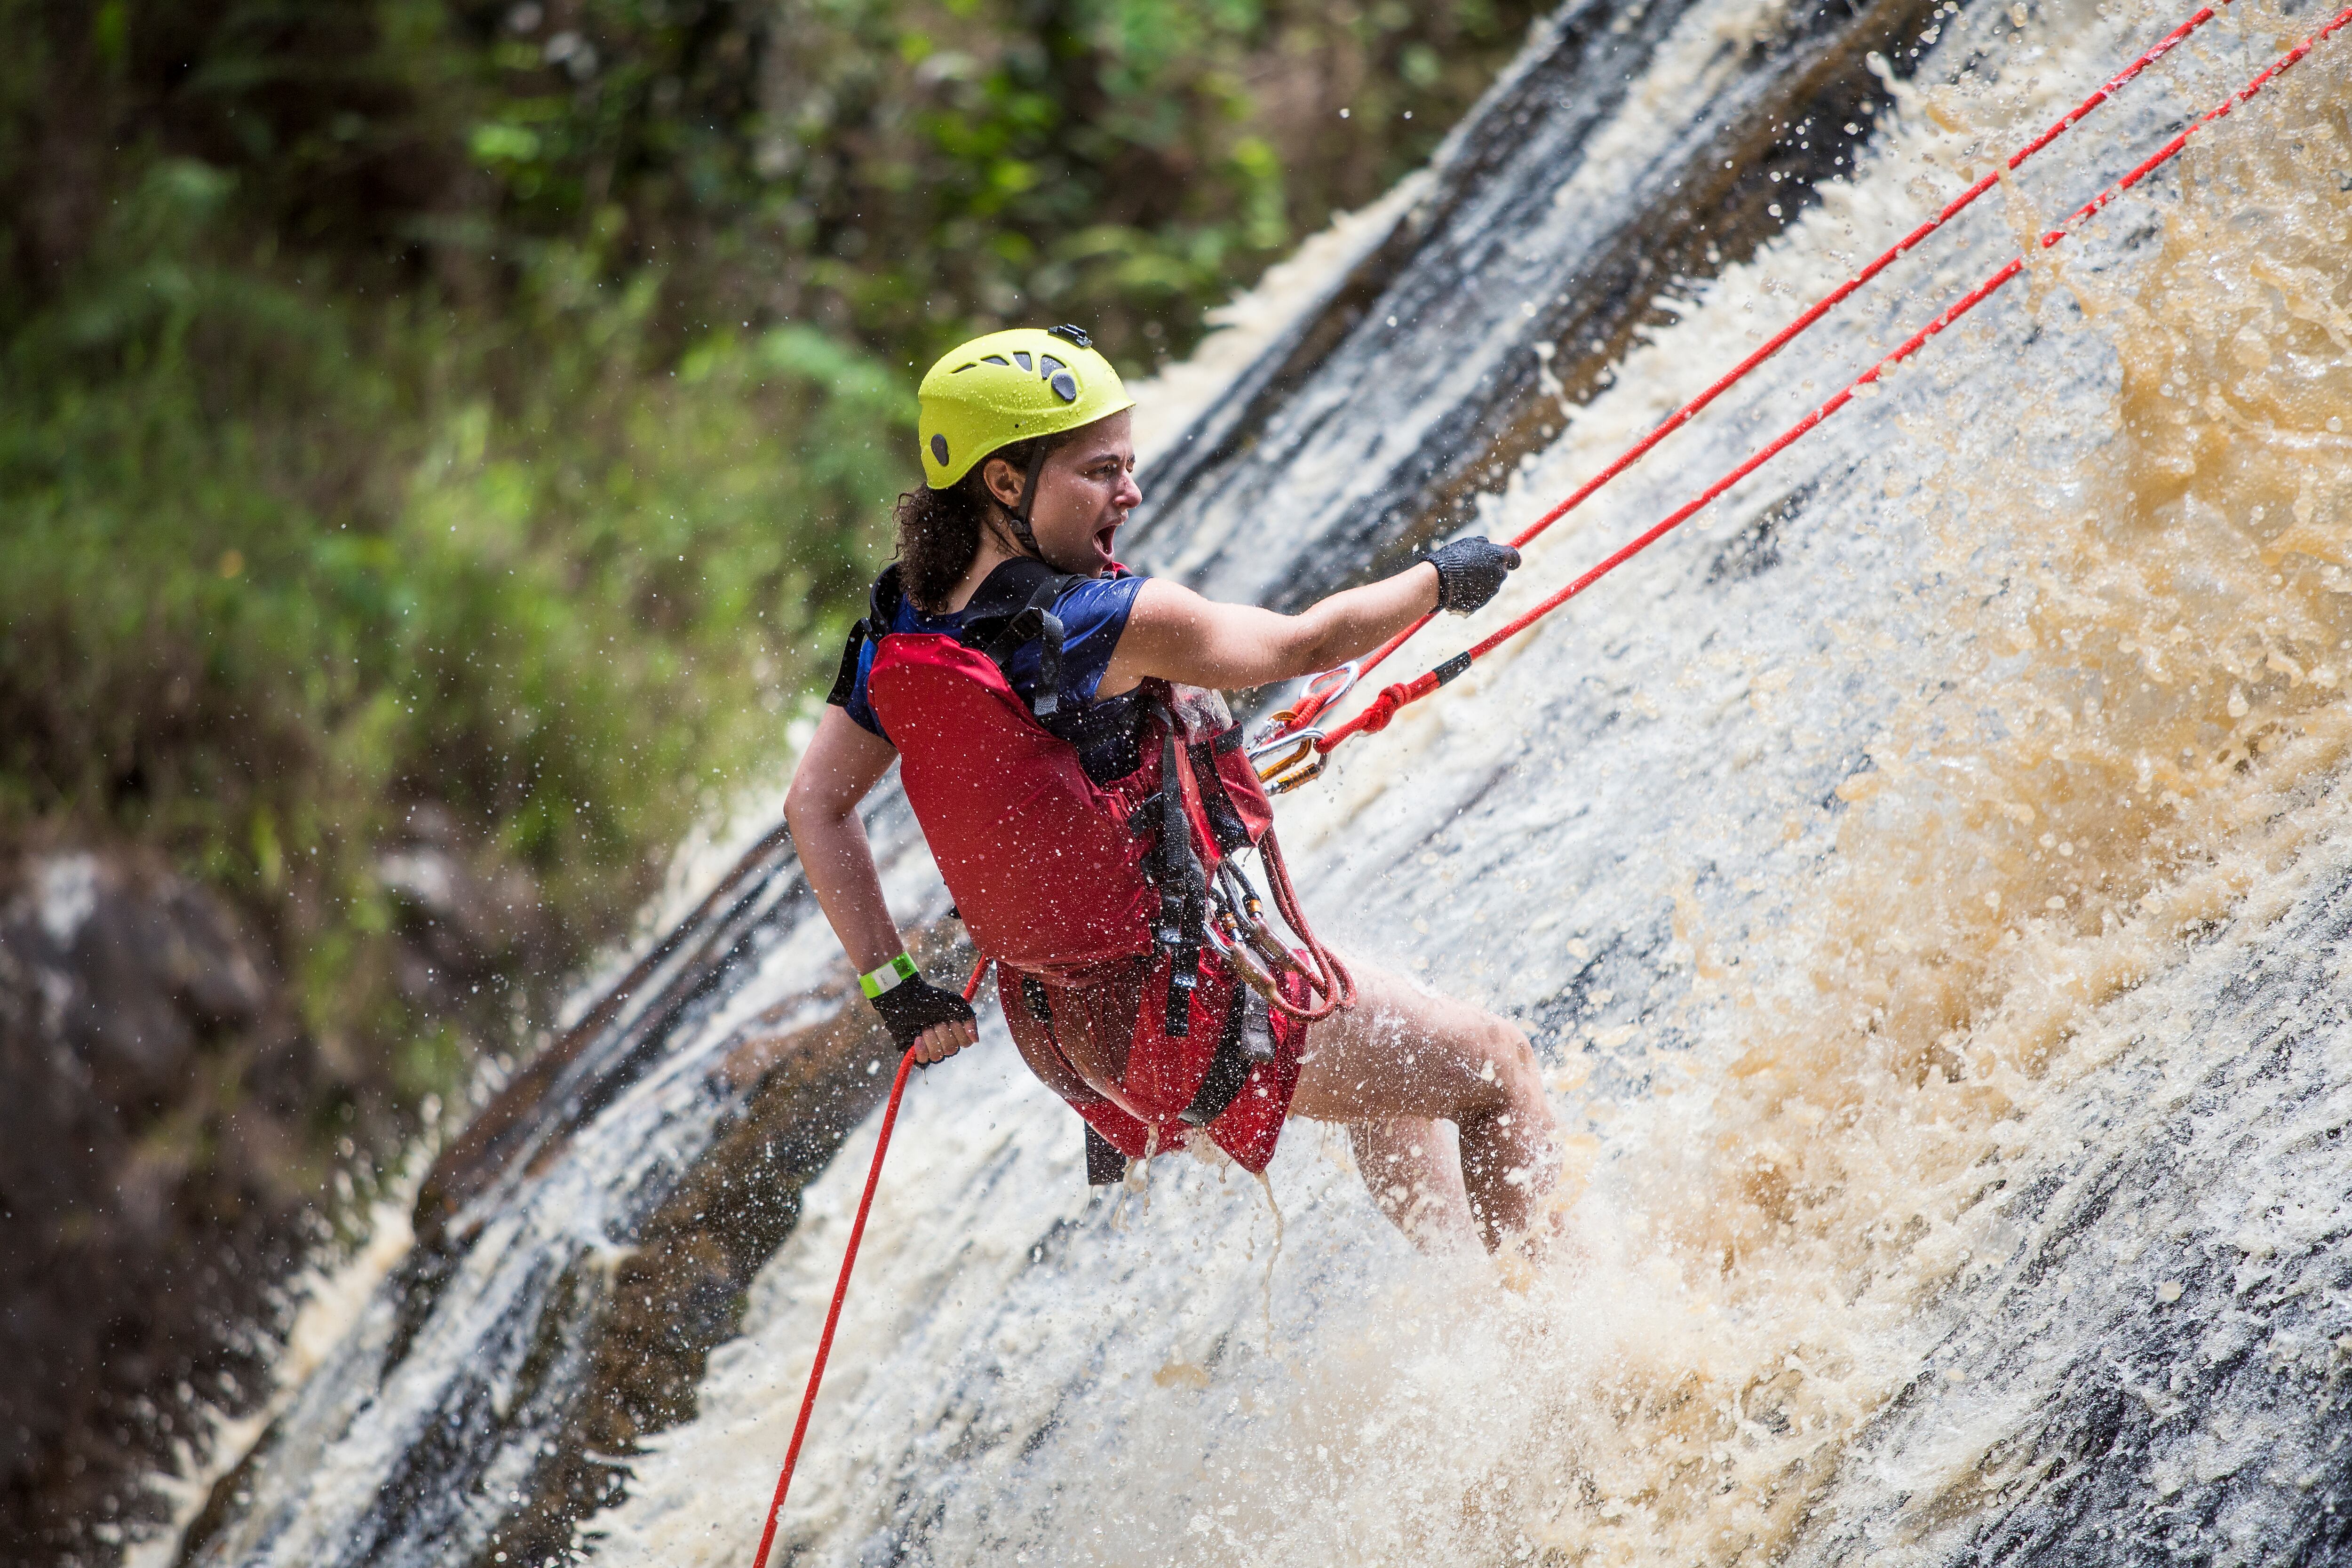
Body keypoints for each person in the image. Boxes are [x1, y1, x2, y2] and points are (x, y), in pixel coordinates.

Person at [783, 325, 1561, 1255]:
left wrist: (894, 984)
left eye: (1129, 464)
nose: (1131, 492)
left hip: (1069, 1030)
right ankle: (1554, 1321)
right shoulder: (1099, 620)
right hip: (1181, 1011)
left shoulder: (901, 621)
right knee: (1499, 1067)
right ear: (1005, 482)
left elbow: (816, 805)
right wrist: (1438, 580)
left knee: (1393, 1078)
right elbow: (1306, 643)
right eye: (1100, 471)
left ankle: (1472, 1290)